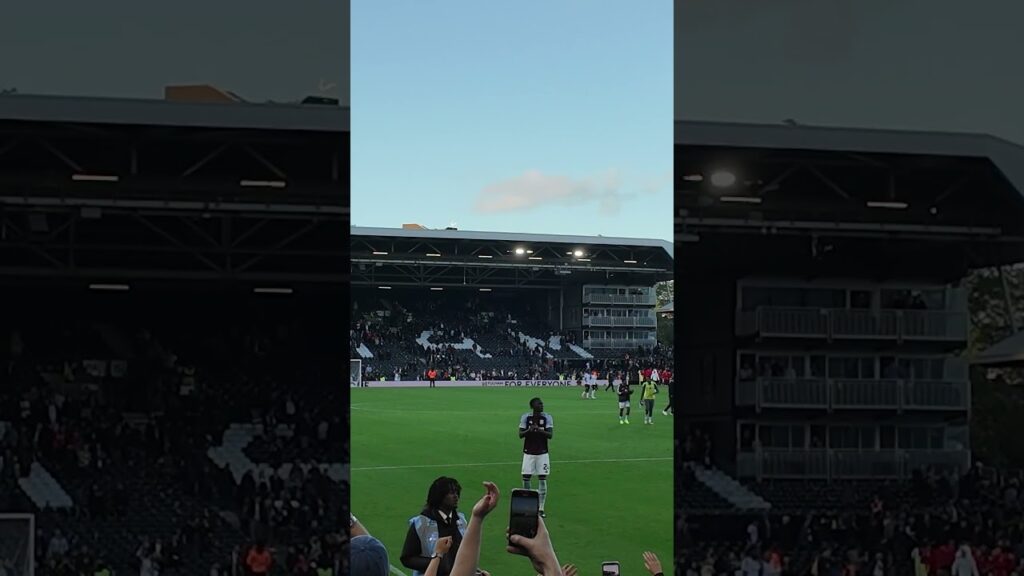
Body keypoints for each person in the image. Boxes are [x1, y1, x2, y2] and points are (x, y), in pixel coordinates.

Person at [401, 477, 468, 576]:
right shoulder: (421, 523)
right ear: (440, 496)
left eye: (457, 492)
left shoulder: (461, 521)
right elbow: (407, 558)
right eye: (451, 493)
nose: (456, 496)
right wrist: (436, 563)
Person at [519, 397, 553, 517]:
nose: (542, 405)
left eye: (542, 403)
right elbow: (520, 434)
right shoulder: (525, 417)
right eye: (539, 404)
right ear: (533, 406)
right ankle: (529, 506)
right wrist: (529, 430)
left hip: (542, 452)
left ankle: (541, 508)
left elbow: (550, 435)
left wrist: (538, 429)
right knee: (526, 477)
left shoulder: (547, 417)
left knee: (542, 478)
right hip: (528, 452)